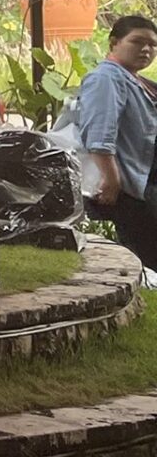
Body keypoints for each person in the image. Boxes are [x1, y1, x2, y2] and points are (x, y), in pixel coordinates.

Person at [64, 15, 157, 269]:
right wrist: (112, 180)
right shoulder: (107, 78)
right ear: (114, 42)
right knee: (145, 259)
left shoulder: (134, 79)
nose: (146, 49)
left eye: (152, 44)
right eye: (137, 41)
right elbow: (99, 132)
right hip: (127, 189)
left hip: (142, 184)